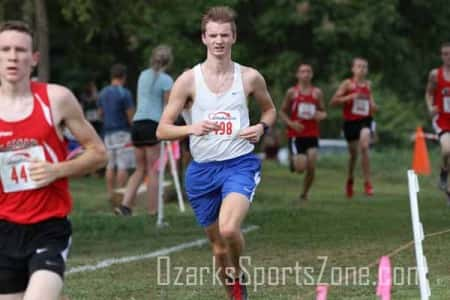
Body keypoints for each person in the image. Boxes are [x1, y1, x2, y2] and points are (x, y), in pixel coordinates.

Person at [157, 6, 276, 299]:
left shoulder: (249, 78)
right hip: (202, 171)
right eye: (213, 35)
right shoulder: (187, 80)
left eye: (225, 35)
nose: (219, 41)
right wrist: (191, 129)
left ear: (233, 37)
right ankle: (235, 292)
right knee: (218, 247)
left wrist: (262, 127)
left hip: (239, 164)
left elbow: (270, 110)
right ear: (204, 38)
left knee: (229, 229)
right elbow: (162, 129)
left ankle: (238, 272)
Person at [0, 20, 106, 299]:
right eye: (5, 49)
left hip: (48, 227)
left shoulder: (57, 99)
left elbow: (98, 153)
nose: (13, 57)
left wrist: (56, 170)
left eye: (21, 50)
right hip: (4, 229)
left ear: (34, 58)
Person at [115, 45, 173, 216]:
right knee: (153, 170)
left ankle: (125, 206)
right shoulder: (166, 80)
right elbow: (169, 106)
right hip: (152, 125)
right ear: (168, 62)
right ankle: (153, 210)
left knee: (140, 169)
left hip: (137, 124)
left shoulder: (143, 75)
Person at [330, 57, 377, 198]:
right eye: (359, 66)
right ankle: (350, 179)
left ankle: (368, 183)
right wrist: (350, 97)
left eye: (364, 67)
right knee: (353, 155)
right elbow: (333, 102)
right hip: (350, 123)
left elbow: (372, 104)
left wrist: (374, 106)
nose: (362, 69)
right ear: (353, 69)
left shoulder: (368, 85)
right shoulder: (347, 84)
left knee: (364, 146)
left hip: (365, 121)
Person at [279, 63, 326, 202]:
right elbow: (282, 112)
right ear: (298, 75)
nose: (305, 74)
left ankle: (304, 194)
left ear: (311, 75)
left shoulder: (317, 93)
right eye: (302, 71)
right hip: (296, 135)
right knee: (300, 168)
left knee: (311, 165)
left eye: (308, 71)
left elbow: (323, 112)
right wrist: (291, 123)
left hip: (312, 134)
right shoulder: (292, 92)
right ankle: (293, 162)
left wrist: (320, 115)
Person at [97, 64, 135, 202]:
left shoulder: (102, 93)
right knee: (122, 164)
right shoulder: (124, 93)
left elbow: (100, 113)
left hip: (107, 132)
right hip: (122, 132)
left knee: (110, 164)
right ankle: (119, 193)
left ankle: (110, 193)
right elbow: (130, 116)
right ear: (123, 77)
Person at [425, 42, 450, 202]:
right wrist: (430, 106)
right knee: (447, 150)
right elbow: (428, 93)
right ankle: (444, 172)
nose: (448, 57)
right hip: (442, 120)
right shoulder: (435, 74)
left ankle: (448, 190)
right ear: (441, 56)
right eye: (445, 54)